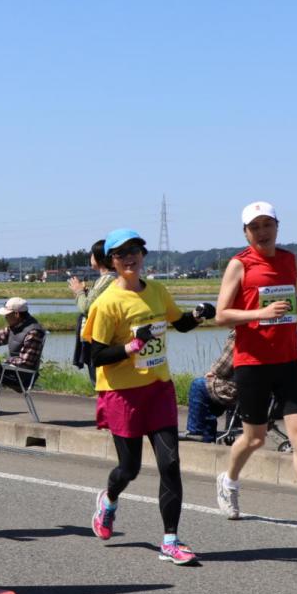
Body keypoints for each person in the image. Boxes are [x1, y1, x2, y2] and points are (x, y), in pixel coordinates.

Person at [82, 229, 212, 565]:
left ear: (143, 255)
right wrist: (131, 345)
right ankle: (109, 500)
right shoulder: (107, 303)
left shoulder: (156, 290)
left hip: (158, 388)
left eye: (135, 251)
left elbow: (178, 322)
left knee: (170, 464)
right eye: (121, 253)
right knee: (130, 468)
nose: (129, 257)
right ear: (112, 261)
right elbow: (95, 355)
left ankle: (170, 540)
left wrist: (198, 315)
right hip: (121, 393)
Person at [212, 202, 297, 535]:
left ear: (277, 226)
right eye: (255, 227)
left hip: (287, 359)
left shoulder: (288, 259)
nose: (262, 232)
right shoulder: (239, 264)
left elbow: (292, 300)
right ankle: (229, 480)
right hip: (252, 362)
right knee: (255, 439)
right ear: (245, 232)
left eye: (268, 225)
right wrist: (257, 315)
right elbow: (221, 314)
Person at [69, 239, 117, 383]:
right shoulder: (111, 278)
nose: (90, 257)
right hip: (104, 337)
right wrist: (86, 291)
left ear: (99, 257)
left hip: (98, 338)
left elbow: (86, 307)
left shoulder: (106, 279)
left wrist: (78, 291)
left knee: (99, 382)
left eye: (92, 254)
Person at [184, 330, 236, 442]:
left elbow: (223, 368)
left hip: (237, 388)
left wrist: (213, 371)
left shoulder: (239, 333)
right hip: (257, 386)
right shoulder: (263, 329)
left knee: (198, 385)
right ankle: (207, 436)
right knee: (209, 388)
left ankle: (196, 433)